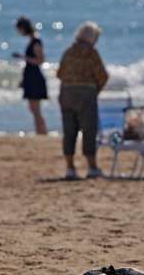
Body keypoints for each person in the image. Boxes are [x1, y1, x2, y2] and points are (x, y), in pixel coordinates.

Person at [56, 21, 109, 179]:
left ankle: (70, 168)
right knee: (88, 130)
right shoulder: (91, 53)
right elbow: (103, 76)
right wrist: (95, 89)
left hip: (66, 93)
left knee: (69, 131)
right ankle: (92, 167)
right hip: (86, 94)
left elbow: (59, 74)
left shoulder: (68, 51)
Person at [13, 16, 48, 135]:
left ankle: (42, 133)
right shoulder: (32, 40)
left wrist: (23, 57)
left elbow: (40, 60)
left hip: (35, 77)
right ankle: (40, 132)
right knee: (33, 109)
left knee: (35, 109)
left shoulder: (36, 41)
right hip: (31, 76)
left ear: (23, 28)